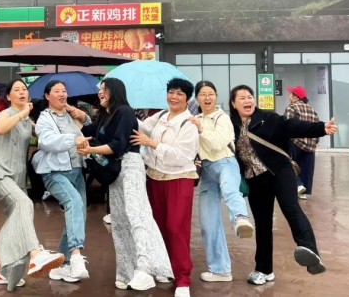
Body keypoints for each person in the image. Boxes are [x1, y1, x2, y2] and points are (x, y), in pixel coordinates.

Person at [229, 84, 337, 285]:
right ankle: (263, 270)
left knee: (291, 208)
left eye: (250, 96)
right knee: (262, 224)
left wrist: (321, 128)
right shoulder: (231, 126)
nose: (247, 100)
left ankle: (310, 251)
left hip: (279, 171)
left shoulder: (268, 118)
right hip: (255, 178)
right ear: (234, 104)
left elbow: (292, 126)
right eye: (242, 98)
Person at [75, 78, 173, 291]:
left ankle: (146, 269)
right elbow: (89, 131)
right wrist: (72, 113)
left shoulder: (125, 112)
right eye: (100, 89)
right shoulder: (104, 114)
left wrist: (90, 150)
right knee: (119, 221)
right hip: (114, 171)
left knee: (137, 214)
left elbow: (118, 145)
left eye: (104, 89)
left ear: (114, 91)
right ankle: (126, 272)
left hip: (130, 165)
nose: (100, 92)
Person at [0, 78, 65, 291]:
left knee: (21, 221)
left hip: (18, 179)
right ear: (9, 96)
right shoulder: (6, 113)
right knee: (25, 205)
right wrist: (22, 113)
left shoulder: (27, 121)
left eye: (24, 89)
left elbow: (46, 136)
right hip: (0, 174)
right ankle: (35, 253)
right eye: (16, 89)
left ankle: (6, 274)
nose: (22, 92)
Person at [131, 78, 199, 297]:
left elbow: (181, 156)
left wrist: (152, 143)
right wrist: (122, 108)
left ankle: (182, 279)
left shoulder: (189, 124)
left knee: (176, 228)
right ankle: (165, 267)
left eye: (180, 93)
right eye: (171, 92)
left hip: (179, 179)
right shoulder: (160, 116)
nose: (174, 97)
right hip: (155, 177)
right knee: (158, 226)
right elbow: (140, 127)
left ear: (187, 98)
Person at [188, 81, 254, 283]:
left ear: (216, 96)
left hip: (225, 162)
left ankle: (240, 218)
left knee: (230, 190)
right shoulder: (194, 119)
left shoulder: (222, 117)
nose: (207, 97)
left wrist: (200, 129)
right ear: (197, 98)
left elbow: (217, 143)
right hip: (207, 170)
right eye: (202, 94)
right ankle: (220, 270)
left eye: (211, 93)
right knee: (208, 221)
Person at [32, 80, 91, 283]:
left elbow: (91, 130)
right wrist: (72, 140)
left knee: (78, 213)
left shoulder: (70, 115)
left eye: (64, 91)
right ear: (47, 96)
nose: (61, 94)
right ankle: (76, 256)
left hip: (76, 171)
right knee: (73, 202)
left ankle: (62, 265)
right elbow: (46, 141)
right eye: (56, 91)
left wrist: (83, 116)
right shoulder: (44, 118)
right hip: (55, 172)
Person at [284, 85, 320, 200]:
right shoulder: (312, 110)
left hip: (295, 142)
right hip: (310, 145)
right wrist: (315, 142)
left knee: (289, 164)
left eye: (290, 94)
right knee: (306, 169)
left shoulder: (292, 108)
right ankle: (303, 192)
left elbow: (288, 126)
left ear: (295, 96)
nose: (289, 96)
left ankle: (298, 185)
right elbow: (317, 127)